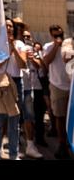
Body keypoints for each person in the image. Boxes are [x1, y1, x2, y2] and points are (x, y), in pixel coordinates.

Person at [0, 18, 26, 160]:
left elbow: (23, 64)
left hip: (16, 83)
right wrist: (6, 52)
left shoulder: (20, 44)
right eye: (6, 26)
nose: (9, 28)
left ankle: (13, 154)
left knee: (14, 122)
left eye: (11, 26)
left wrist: (13, 48)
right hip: (1, 83)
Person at [43, 25, 71, 159]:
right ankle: (62, 144)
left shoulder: (69, 44)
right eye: (55, 36)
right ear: (51, 36)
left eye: (61, 35)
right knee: (60, 116)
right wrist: (56, 46)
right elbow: (46, 61)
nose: (59, 38)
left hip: (71, 85)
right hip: (57, 85)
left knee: (70, 116)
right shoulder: (48, 46)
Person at [21, 30, 43, 158]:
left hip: (29, 87)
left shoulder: (32, 49)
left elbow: (39, 64)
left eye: (28, 36)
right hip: (15, 85)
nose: (26, 38)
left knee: (29, 116)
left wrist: (32, 58)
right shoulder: (17, 45)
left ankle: (30, 145)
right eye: (24, 36)